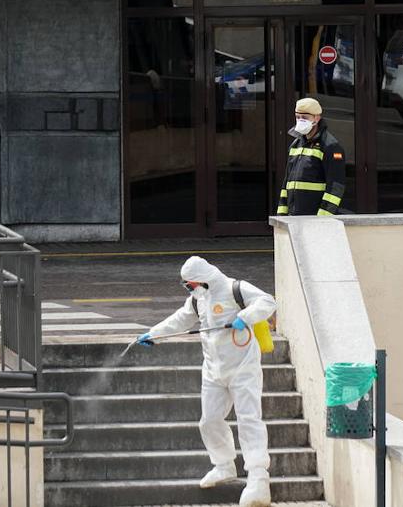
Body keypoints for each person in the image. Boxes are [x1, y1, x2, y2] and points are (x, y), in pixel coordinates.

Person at [137, 256, 276, 507]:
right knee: (209, 420)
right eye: (188, 286)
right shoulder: (198, 299)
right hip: (213, 369)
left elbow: (267, 301)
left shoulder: (236, 288)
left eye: (191, 285)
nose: (190, 289)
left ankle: (258, 477)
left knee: (249, 420)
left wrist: (246, 316)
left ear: (205, 279)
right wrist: (155, 334)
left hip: (243, 367)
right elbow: (180, 319)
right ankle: (223, 465)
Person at [276, 97, 345, 217]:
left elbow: (336, 187)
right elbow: (287, 183)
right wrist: (281, 215)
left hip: (314, 218)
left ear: (316, 118)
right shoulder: (295, 145)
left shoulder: (330, 146)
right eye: (298, 117)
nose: (300, 120)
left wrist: (323, 218)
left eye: (305, 118)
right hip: (294, 217)